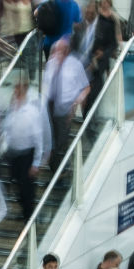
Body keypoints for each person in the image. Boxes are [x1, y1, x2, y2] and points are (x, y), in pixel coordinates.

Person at [2, 77, 49, 223]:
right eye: (15, 88)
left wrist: (36, 163)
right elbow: (7, 128)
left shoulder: (31, 112)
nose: (15, 91)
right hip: (13, 153)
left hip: (27, 154)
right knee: (16, 183)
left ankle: (30, 217)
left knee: (27, 188)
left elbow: (38, 138)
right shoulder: (13, 108)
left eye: (18, 89)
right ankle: (24, 212)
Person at [43, 38, 90, 171]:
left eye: (60, 50)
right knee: (51, 139)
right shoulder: (50, 64)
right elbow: (46, 85)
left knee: (61, 141)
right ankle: (55, 167)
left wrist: (76, 103)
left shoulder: (75, 65)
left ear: (67, 51)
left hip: (66, 108)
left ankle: (58, 170)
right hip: (50, 105)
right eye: (56, 50)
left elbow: (86, 87)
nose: (57, 53)